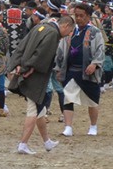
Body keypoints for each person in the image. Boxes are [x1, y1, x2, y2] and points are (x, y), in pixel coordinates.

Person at [9, 10, 69, 155]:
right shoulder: (53, 34)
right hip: (34, 76)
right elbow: (41, 55)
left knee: (40, 111)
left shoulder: (39, 27)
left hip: (26, 70)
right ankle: (23, 144)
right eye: (70, 31)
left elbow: (21, 45)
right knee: (33, 110)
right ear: (65, 25)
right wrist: (25, 69)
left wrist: (16, 64)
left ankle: (47, 142)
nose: (68, 34)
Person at [58, 1, 105, 137]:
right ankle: (68, 127)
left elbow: (100, 49)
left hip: (88, 71)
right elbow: (61, 50)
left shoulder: (95, 32)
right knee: (67, 97)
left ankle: (93, 126)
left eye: (82, 16)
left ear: (88, 17)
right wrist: (58, 68)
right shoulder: (70, 32)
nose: (78, 18)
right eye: (76, 16)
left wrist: (95, 64)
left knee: (92, 100)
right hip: (71, 70)